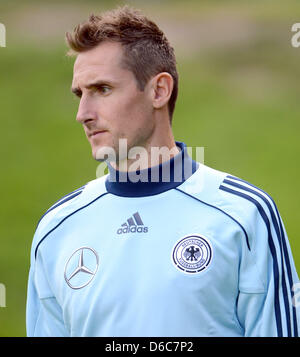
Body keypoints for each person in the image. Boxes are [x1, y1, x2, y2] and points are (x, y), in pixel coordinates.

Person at [26, 5, 299, 337]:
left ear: (159, 91)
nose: (83, 113)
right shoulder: (57, 230)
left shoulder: (244, 215)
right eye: (79, 94)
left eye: (102, 90)